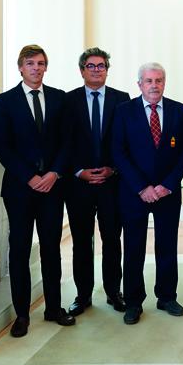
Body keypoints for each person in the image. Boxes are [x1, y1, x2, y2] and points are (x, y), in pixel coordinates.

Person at [0, 44, 75, 337]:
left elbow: (68, 141)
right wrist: (29, 176)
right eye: (30, 63)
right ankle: (23, 315)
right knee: (19, 250)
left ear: (45, 67)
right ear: (20, 67)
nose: (36, 68)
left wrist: (54, 173)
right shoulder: (5, 102)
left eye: (41, 63)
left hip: (53, 188)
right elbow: (2, 146)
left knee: (52, 249)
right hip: (20, 190)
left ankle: (53, 308)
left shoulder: (59, 99)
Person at [112, 62, 183, 325]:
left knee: (167, 245)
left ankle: (167, 296)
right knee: (133, 247)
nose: (154, 85)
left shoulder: (179, 111)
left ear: (164, 83)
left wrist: (167, 184)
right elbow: (118, 153)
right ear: (139, 84)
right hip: (134, 193)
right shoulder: (124, 112)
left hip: (167, 192)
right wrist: (142, 187)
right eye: (148, 81)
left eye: (159, 80)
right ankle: (134, 302)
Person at [63, 48, 130, 317]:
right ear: (82, 70)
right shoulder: (67, 101)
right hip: (78, 184)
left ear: (107, 70)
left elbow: (125, 141)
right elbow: (63, 142)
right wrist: (78, 171)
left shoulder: (122, 100)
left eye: (101, 66)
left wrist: (113, 169)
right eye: (90, 66)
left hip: (112, 183)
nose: (96, 70)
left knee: (113, 239)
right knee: (81, 241)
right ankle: (83, 294)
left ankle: (114, 292)